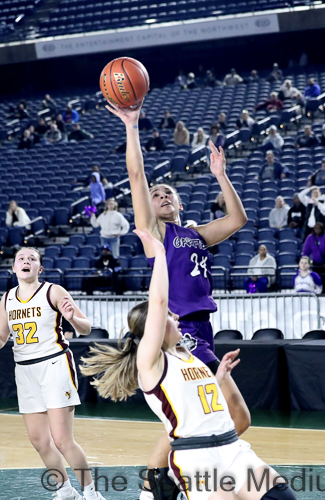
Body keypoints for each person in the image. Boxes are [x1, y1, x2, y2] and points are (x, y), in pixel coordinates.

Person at [81, 229, 297, 500]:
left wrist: (219, 379)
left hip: (231, 448)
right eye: (170, 316)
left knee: (282, 497)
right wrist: (160, 254)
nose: (176, 317)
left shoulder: (189, 353)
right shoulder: (152, 362)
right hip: (196, 457)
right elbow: (159, 301)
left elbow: (210, 404)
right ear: (155, 328)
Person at [105, 101, 251, 491]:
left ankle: (158, 483)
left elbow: (238, 219)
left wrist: (221, 175)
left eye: (168, 192)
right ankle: (162, 479)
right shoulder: (156, 234)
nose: (161, 195)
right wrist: (132, 126)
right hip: (178, 331)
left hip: (203, 328)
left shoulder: (196, 233)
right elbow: (136, 176)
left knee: (207, 419)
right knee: (234, 416)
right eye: (156, 194)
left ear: (181, 203)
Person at [0, 247, 106, 500]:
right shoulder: (7, 298)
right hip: (25, 370)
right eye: (20, 259)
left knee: (62, 439)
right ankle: (65, 490)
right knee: (38, 440)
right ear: (13, 268)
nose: (26, 261)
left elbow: (86, 327)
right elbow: (2, 337)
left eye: (32, 258)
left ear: (40, 268)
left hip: (54, 365)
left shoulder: (53, 291)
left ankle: (91, 493)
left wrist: (72, 319)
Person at [302, 223, 325, 293]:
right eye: (316, 228)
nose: (317, 230)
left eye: (319, 229)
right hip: (316, 263)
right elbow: (306, 250)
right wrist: (304, 261)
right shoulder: (310, 238)